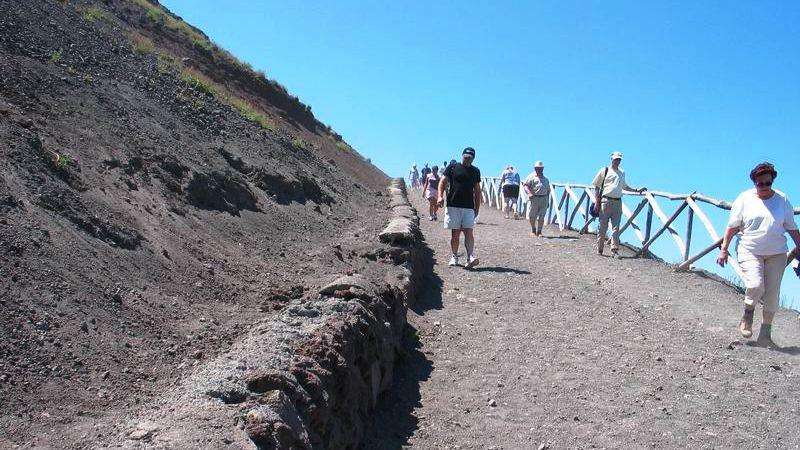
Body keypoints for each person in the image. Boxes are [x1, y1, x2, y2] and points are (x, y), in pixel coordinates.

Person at [717, 162, 800, 344]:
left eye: (767, 183)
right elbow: (732, 227)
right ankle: (747, 315)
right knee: (755, 285)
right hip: (750, 249)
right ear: (754, 182)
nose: (763, 187)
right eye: (760, 183)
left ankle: (765, 334)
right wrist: (724, 249)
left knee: (772, 294)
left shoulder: (782, 200)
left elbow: (791, 227)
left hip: (777, 252)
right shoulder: (745, 199)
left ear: (772, 181)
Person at [591, 151, 646, 257]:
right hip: (605, 201)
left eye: (619, 159)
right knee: (603, 227)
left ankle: (614, 250)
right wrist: (597, 202)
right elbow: (596, 186)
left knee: (616, 228)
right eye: (616, 159)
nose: (617, 161)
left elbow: (624, 186)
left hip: (618, 202)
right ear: (611, 159)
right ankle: (600, 248)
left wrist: (636, 190)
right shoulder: (605, 170)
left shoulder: (622, 172)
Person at [438, 147, 481, 268]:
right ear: (462, 155)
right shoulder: (452, 168)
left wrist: (477, 207)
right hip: (453, 205)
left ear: (473, 158)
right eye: (466, 157)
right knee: (455, 234)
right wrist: (440, 196)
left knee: (469, 232)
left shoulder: (475, 171)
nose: (468, 159)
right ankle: (454, 255)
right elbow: (442, 181)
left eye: (470, 158)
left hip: (468, 207)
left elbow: (477, 191)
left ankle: (470, 256)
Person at [523, 161, 550, 237]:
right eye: (538, 168)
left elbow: (548, 190)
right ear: (535, 168)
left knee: (542, 216)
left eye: (541, 168)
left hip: (544, 198)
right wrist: (529, 193)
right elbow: (525, 185)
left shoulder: (546, 179)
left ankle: (539, 231)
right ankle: (533, 229)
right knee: (532, 216)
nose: (539, 169)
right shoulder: (531, 176)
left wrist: (548, 201)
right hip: (534, 198)